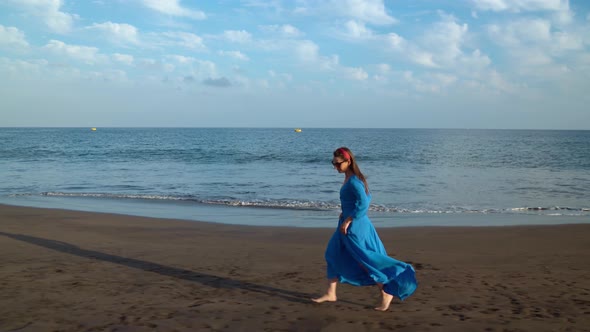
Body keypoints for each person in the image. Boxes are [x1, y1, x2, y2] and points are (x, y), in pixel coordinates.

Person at [312, 147, 417, 311]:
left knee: (365, 261)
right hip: (346, 224)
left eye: (338, 163)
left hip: (354, 228)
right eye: (333, 163)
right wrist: (345, 216)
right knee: (332, 253)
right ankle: (331, 293)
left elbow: (365, 202)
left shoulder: (354, 181)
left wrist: (349, 218)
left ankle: (386, 292)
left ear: (348, 161)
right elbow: (366, 197)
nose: (335, 167)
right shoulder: (349, 179)